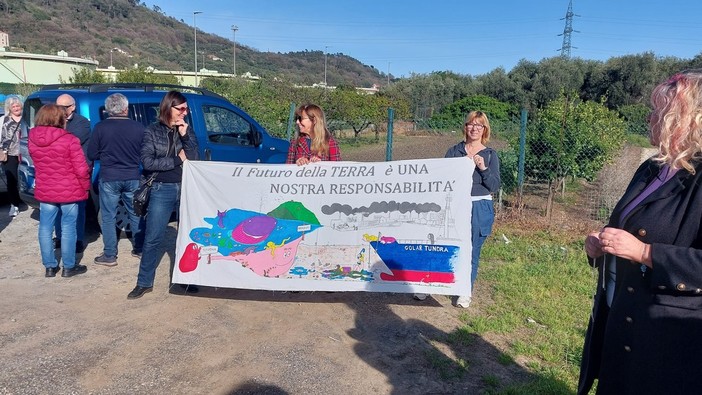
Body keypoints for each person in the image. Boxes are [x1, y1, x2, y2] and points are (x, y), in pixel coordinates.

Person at [578, 70, 702, 394]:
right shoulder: (652, 167)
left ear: (686, 118)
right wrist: (600, 245)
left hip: (665, 340)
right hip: (620, 319)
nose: (649, 117)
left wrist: (645, 253)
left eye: (658, 110)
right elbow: (625, 226)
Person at [414, 111, 501, 308]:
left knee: (471, 250)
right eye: (471, 124)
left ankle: (464, 291)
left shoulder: (490, 154)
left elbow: (494, 185)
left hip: (479, 206)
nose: (474, 128)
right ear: (465, 127)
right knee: (440, 245)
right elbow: (442, 178)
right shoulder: (454, 151)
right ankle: (428, 286)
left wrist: (484, 169)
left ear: (485, 130)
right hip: (452, 204)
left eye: (479, 125)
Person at [128, 91, 199, 299]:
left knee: (187, 237)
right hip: (161, 189)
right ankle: (144, 282)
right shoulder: (152, 131)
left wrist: (186, 137)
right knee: (153, 238)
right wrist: (177, 160)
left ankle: (187, 280)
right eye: (181, 109)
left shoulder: (186, 130)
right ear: (169, 108)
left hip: (185, 187)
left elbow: (194, 157)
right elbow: (148, 163)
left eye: (186, 109)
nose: (185, 113)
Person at [28, 104, 90, 278]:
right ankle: (69, 266)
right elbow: (81, 169)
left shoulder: (32, 138)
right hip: (69, 189)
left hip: (46, 188)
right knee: (68, 227)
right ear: (59, 119)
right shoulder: (69, 139)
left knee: (45, 227)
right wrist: (85, 186)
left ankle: (49, 266)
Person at [87, 93, 145, 267]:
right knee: (136, 213)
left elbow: (91, 154)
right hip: (132, 175)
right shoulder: (139, 128)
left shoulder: (100, 128)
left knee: (108, 216)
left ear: (107, 110)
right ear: (126, 108)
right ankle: (139, 248)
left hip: (109, 176)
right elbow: (145, 153)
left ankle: (110, 255)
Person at [54, 93, 91, 253]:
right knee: (56, 208)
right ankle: (61, 238)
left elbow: (69, 143)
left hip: (76, 172)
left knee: (78, 209)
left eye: (63, 107)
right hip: (58, 172)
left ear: (73, 107)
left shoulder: (81, 123)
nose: (59, 110)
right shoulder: (54, 121)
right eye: (57, 107)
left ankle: (78, 240)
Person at [1, 95, 27, 217]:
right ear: (9, 108)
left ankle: (29, 199)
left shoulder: (26, 118)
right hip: (10, 153)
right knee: (12, 180)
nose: (16, 108)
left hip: (25, 152)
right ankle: (14, 205)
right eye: (13, 106)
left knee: (27, 178)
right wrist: (3, 151)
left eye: (18, 105)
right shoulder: (5, 120)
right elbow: (3, 137)